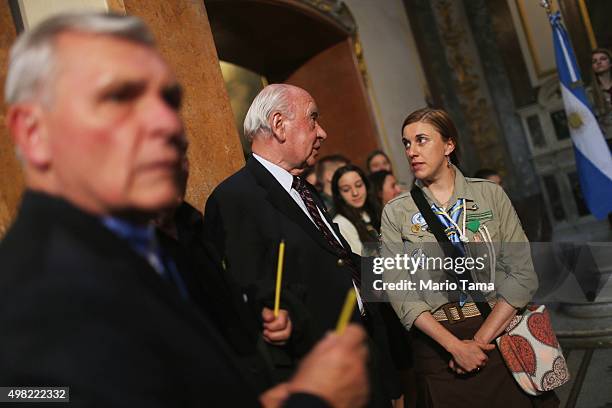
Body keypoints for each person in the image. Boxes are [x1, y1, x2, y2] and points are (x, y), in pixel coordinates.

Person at [0, 12, 369, 407]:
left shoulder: (173, 239)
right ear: (34, 133)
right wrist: (312, 400)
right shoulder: (25, 298)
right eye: (121, 96)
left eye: (169, 100)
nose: (167, 123)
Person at [203, 84, 400, 406]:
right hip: (314, 379)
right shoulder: (236, 198)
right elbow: (252, 297)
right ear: (279, 124)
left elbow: (342, 263)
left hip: (363, 359)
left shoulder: (304, 191)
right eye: (312, 119)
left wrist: (447, 268)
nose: (322, 132)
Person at [380, 108, 557, 407]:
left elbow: (522, 275)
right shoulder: (395, 212)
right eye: (406, 144)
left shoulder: (489, 195)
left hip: (498, 333)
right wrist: (454, 347)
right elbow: (400, 293)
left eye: (421, 140)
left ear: (449, 145)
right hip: (437, 346)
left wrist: (477, 343)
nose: (412, 151)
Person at [331, 165, 380, 256]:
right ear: (339, 195)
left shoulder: (369, 212)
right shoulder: (341, 224)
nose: (355, 193)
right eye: (346, 190)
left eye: (359, 185)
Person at [591, 48, 612, 119]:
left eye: (603, 59)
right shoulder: (590, 93)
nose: (598, 62)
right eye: (594, 61)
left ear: (610, 63)